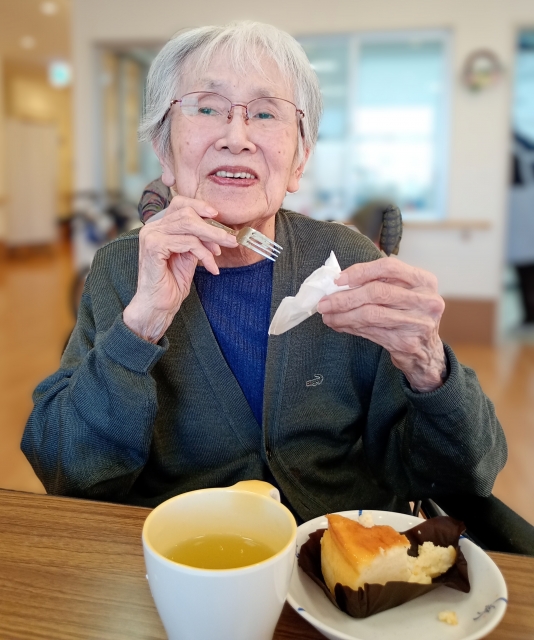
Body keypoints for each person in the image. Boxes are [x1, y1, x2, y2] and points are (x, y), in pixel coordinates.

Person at [21, 22, 506, 521]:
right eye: (206, 108)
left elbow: (463, 475)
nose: (236, 137)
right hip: (186, 551)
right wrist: (141, 324)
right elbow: (66, 470)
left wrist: (429, 368)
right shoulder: (124, 269)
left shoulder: (346, 260)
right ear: (165, 152)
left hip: (335, 551)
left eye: (266, 113)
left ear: (299, 160)